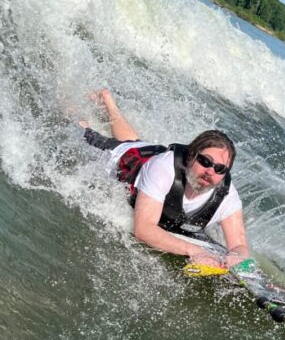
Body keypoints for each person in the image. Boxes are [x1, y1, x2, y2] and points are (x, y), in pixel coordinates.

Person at [81, 89, 251, 270]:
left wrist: (235, 256)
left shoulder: (226, 193)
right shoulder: (163, 168)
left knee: (133, 140)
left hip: (147, 152)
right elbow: (143, 229)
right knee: (82, 130)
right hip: (124, 158)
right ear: (191, 156)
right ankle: (74, 104)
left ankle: (109, 103)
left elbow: (239, 246)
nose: (210, 171)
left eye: (219, 168)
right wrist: (195, 251)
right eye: (205, 161)